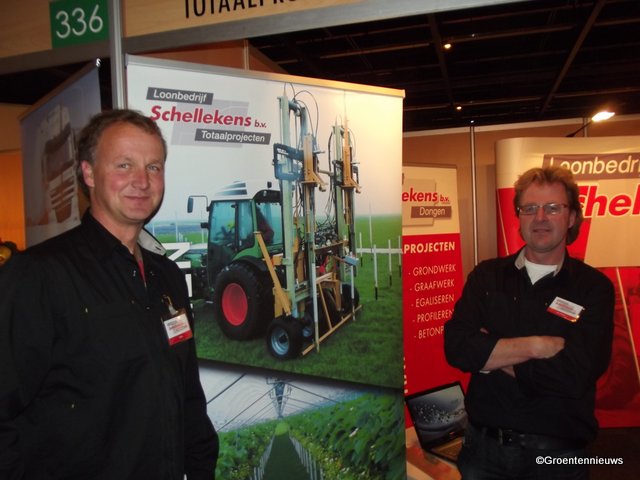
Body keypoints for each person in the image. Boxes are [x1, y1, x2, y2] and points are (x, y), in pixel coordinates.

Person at [0, 109, 219, 479]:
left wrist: (200, 469)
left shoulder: (167, 277)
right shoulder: (38, 275)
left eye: (153, 167)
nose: (142, 181)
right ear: (88, 173)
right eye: (124, 165)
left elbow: (187, 395)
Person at [444, 166, 614, 479]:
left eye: (553, 208)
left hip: (559, 457)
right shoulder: (486, 276)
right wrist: (536, 347)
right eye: (530, 208)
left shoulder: (594, 288)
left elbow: (575, 375)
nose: (540, 218)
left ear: (572, 217)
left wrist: (491, 354)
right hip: (483, 452)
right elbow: (457, 348)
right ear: (519, 217)